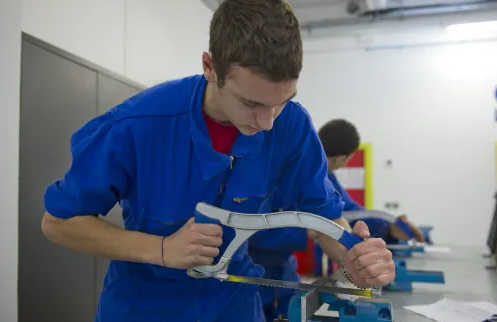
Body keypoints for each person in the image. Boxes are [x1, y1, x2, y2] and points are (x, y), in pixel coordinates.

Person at [39, 1, 395, 322]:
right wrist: (162, 249)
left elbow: (324, 221)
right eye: (251, 104)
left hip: (234, 306)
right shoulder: (136, 126)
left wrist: (354, 260)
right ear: (210, 67)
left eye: (282, 101)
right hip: (143, 307)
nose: (268, 122)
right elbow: (59, 223)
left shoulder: (292, 125)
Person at [248, 119, 422, 321]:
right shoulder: (266, 169)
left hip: (285, 274)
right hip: (254, 271)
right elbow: (253, 229)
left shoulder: (318, 174)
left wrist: (387, 227)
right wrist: (307, 232)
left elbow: (345, 213)